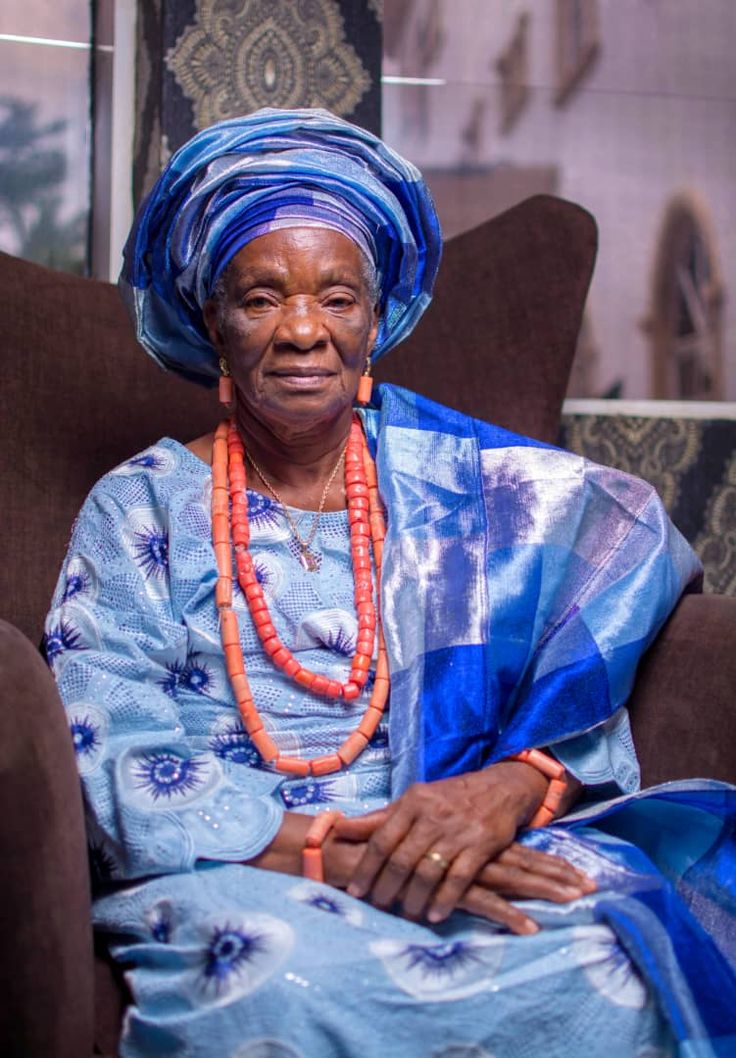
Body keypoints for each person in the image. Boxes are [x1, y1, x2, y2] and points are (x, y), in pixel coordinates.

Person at [45, 108, 736, 1058]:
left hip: (450, 838)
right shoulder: (143, 507)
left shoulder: (450, 476)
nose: (301, 331)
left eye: (337, 298)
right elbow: (103, 740)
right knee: (272, 984)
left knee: (609, 969)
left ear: (376, 322)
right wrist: (330, 851)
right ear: (213, 323)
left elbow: (629, 537)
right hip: (242, 859)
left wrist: (506, 788)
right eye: (259, 298)